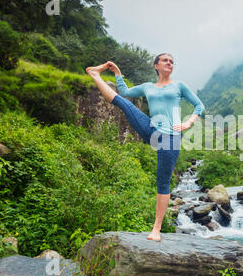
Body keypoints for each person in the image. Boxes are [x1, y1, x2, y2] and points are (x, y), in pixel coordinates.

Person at [85, 53, 205, 241]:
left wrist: (188, 122)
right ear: (156, 65)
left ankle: (156, 229)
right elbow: (124, 91)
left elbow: (199, 106)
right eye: (165, 60)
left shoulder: (179, 86)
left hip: (170, 137)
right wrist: (117, 73)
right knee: (124, 103)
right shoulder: (148, 87)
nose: (169, 63)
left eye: (172, 61)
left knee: (162, 181)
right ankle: (94, 74)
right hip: (151, 128)